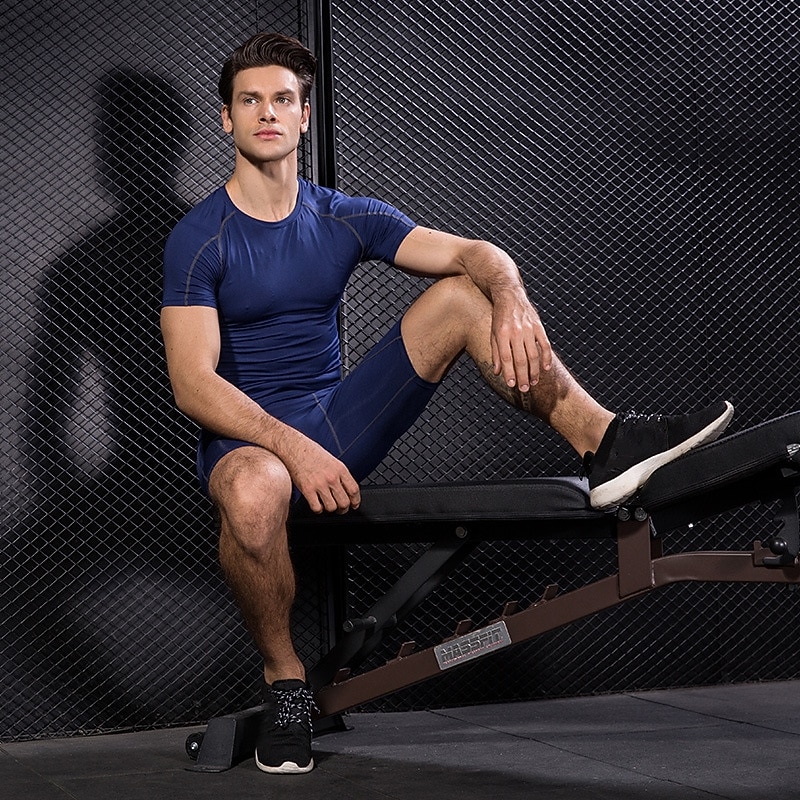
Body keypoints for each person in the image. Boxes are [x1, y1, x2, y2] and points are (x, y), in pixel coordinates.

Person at [160, 32, 733, 775]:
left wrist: (512, 295)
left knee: (464, 297)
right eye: (250, 100)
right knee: (253, 486)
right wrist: (291, 450)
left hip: (336, 426)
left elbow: (474, 254)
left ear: (304, 115)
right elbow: (193, 384)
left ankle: (605, 443)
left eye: (282, 99)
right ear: (227, 119)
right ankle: (286, 683)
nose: (267, 112)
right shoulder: (199, 238)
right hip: (248, 443)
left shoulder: (340, 216)